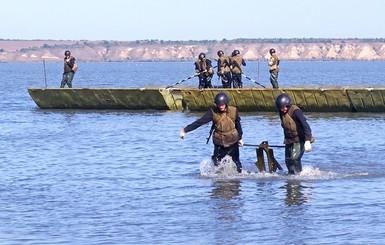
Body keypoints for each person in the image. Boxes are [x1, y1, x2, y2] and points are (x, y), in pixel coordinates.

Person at [180, 92, 244, 173]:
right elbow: (200, 122)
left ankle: (239, 177)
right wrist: (185, 130)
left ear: (226, 103)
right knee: (216, 161)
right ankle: (219, 180)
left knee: (236, 161)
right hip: (219, 142)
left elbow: (238, 125)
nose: (221, 106)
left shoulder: (234, 110)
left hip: (233, 140)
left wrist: (240, 138)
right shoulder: (212, 112)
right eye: (219, 105)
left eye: (222, 104)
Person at [275, 93, 313, 175]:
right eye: (281, 108)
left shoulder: (296, 111)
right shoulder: (281, 112)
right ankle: (291, 176)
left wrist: (307, 141)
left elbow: (306, 126)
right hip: (289, 140)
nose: (283, 110)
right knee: (288, 160)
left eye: (284, 108)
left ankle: (299, 175)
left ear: (288, 104)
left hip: (300, 139)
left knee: (294, 158)